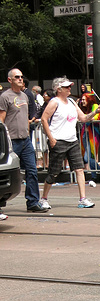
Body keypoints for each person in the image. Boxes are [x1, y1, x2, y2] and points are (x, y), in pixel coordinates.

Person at [40, 77, 99, 208]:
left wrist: (95, 112)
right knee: (53, 172)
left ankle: (82, 198)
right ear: (58, 89)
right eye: (66, 87)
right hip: (58, 141)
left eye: (69, 86)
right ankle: (44, 198)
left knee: (79, 169)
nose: (69, 89)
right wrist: (51, 138)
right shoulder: (54, 102)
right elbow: (44, 119)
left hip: (72, 140)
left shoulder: (72, 102)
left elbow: (83, 118)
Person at [0, 68, 48, 212]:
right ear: (10, 80)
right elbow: (1, 119)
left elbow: (26, 117)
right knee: (6, 173)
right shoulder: (4, 97)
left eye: (21, 76)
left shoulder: (26, 96)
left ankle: (33, 202)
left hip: (25, 140)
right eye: (17, 77)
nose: (21, 79)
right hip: (11, 141)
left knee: (32, 171)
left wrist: (27, 133)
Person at [78, 92, 100, 182]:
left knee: (88, 157)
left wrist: (84, 117)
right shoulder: (85, 108)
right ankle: (94, 176)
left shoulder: (95, 106)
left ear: (89, 99)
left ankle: (99, 171)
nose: (82, 101)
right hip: (85, 134)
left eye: (84, 99)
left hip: (93, 133)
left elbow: (95, 117)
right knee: (88, 156)